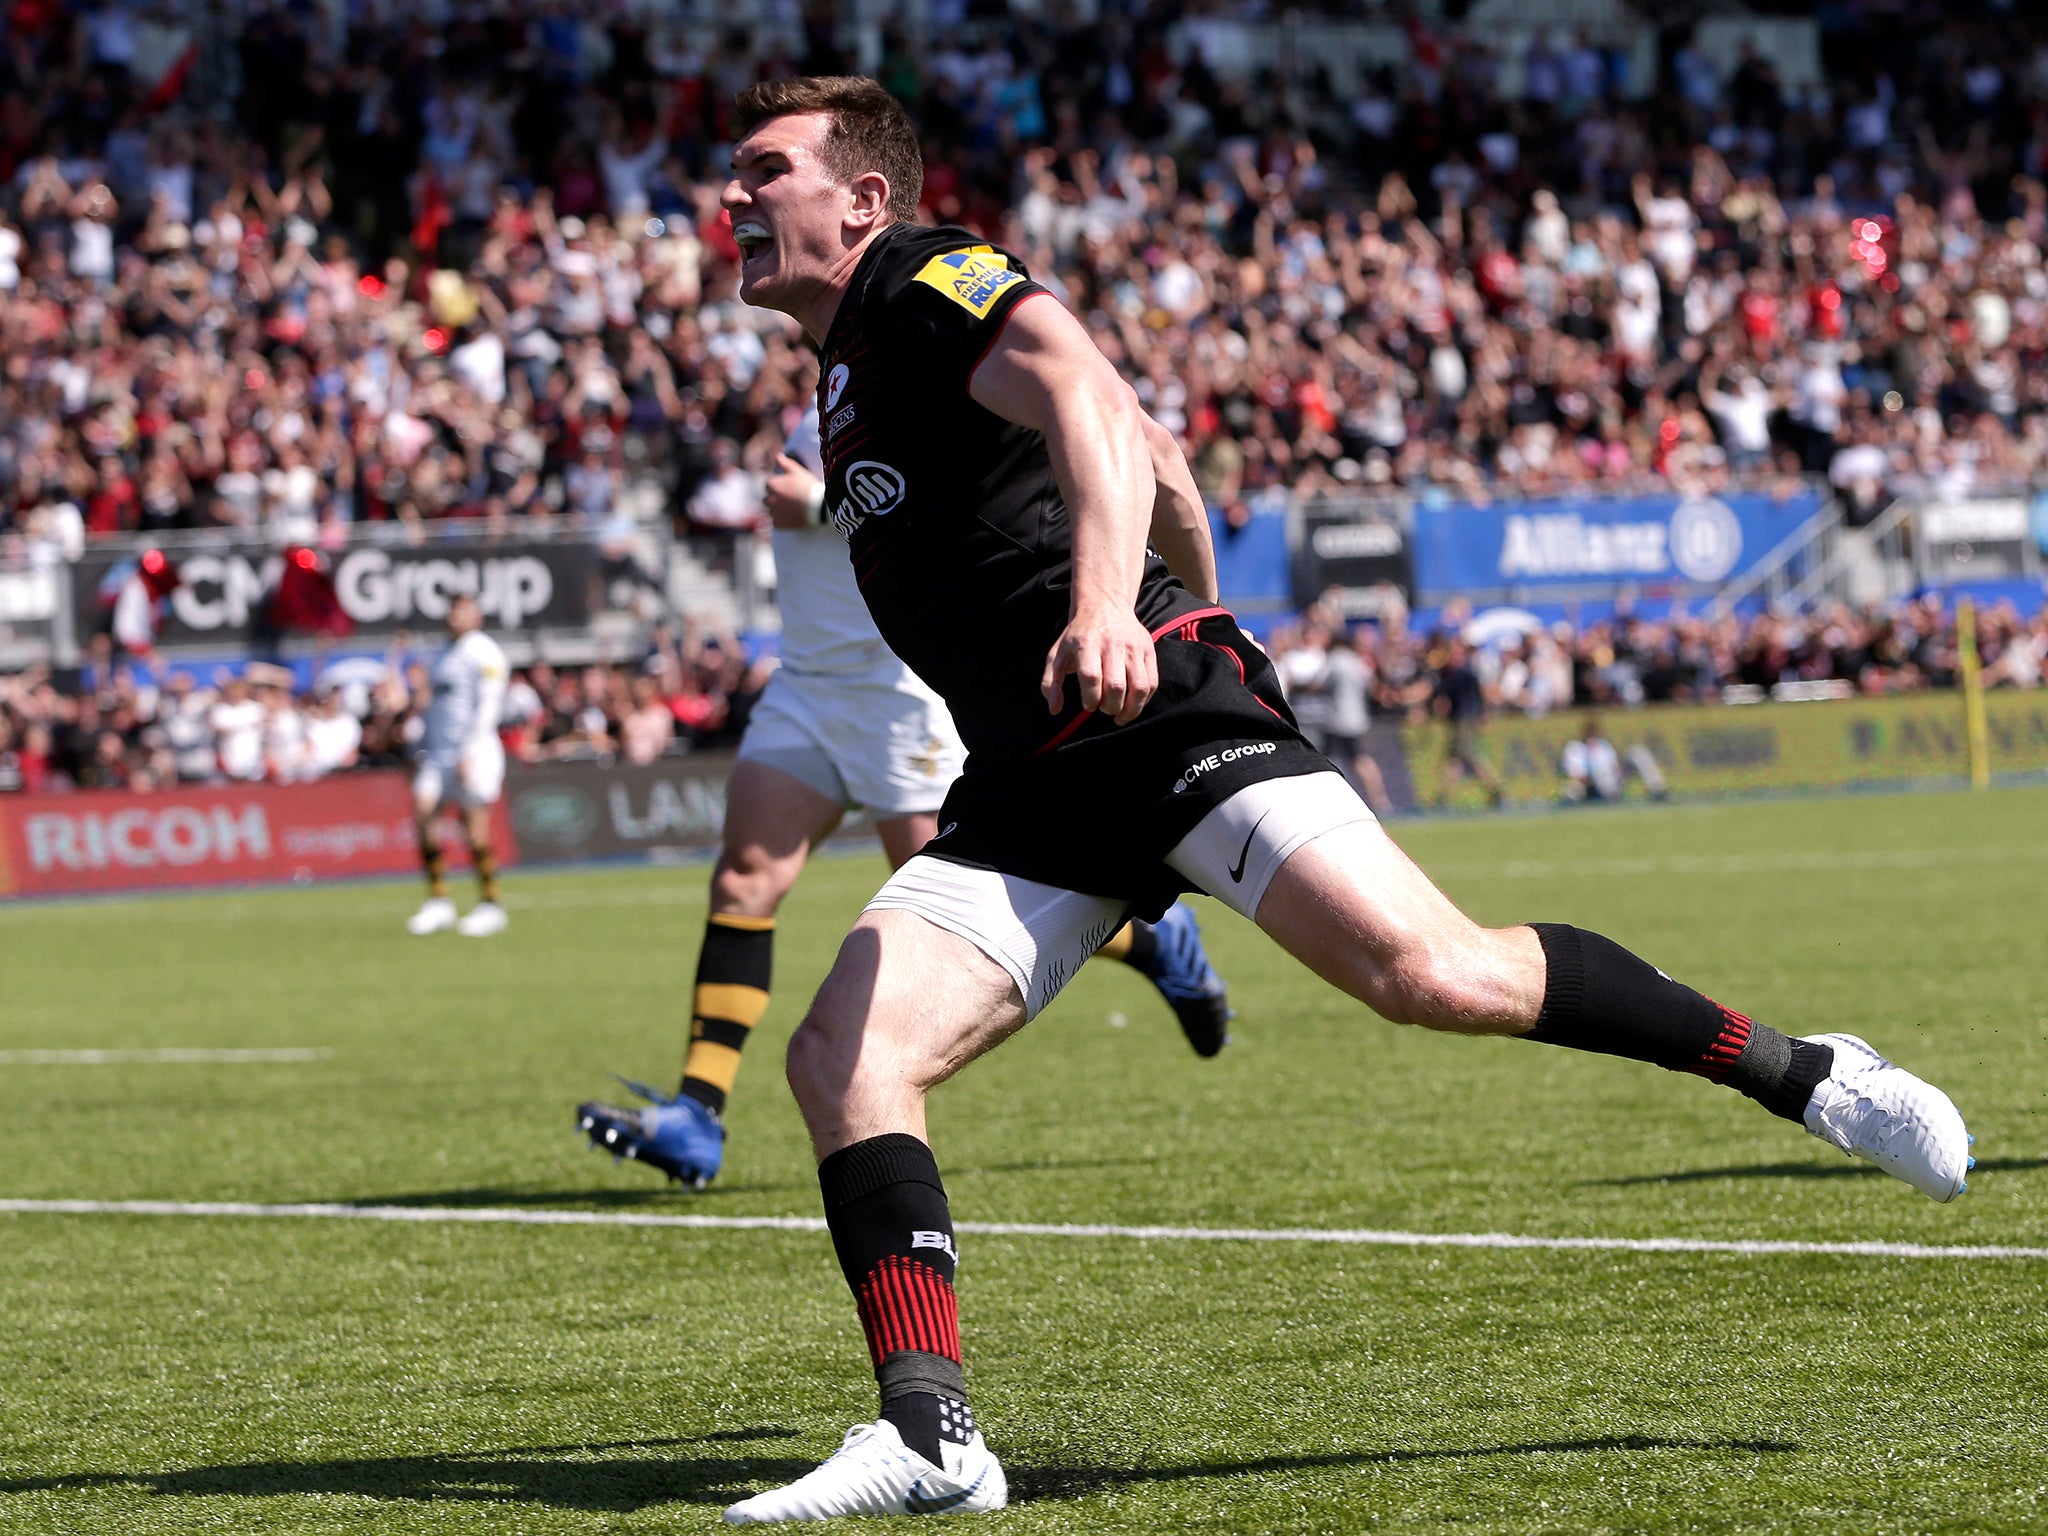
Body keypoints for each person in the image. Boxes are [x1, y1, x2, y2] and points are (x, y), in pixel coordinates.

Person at [710, 79, 1972, 1524]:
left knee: (1432, 974)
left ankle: (1809, 1073)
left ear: (864, 197)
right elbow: (1165, 460)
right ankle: (933, 1438)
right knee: (844, 1060)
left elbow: (1090, 397)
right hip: (1037, 779)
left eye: (766, 172)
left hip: (1161, 721)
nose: (734, 202)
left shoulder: (922, 274)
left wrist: (1132, 610)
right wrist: (1185, 578)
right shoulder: (847, 363)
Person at [575, 404, 1235, 1190]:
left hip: (895, 694)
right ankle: (697, 1115)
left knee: (959, 905)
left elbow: (946, 508)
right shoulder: (829, 394)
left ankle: (1158, 944)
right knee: (743, 879)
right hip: (810, 686)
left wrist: (818, 507)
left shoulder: (930, 374)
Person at [406, 595, 512, 938]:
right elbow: (433, 706)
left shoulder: (485, 653)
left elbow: (489, 706)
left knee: (474, 829)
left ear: (477, 615)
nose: (455, 616)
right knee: (423, 815)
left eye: (462, 609)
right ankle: (439, 900)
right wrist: (420, 746)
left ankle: (491, 903)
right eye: (451, 608)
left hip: (474, 750)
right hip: (439, 753)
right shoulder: (441, 654)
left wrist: (470, 749)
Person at [1559, 717, 1669, 804]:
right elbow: (1577, 775)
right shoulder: (1576, 747)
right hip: (1593, 787)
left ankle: (1657, 789)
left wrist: (1615, 775)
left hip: (1613, 783)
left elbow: (1614, 766)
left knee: (1637, 751)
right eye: (1591, 730)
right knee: (1572, 788)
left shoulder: (1604, 745)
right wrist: (1598, 778)